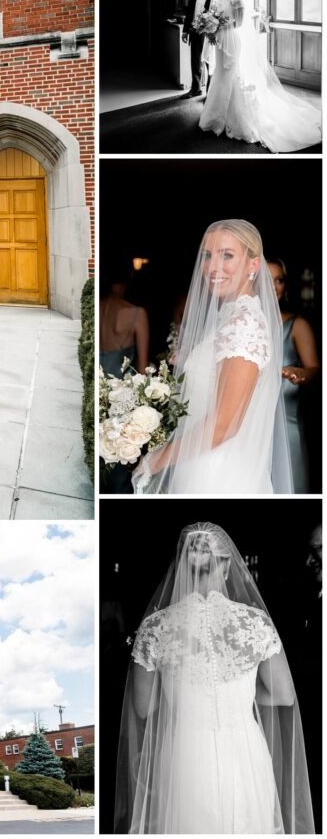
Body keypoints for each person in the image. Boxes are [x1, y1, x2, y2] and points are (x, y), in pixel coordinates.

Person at [114, 523, 314, 834]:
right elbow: (285, 695)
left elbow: (143, 707)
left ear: (182, 565)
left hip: (184, 755)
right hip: (245, 752)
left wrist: (182, 690)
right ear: (226, 564)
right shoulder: (254, 622)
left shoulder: (156, 628)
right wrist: (242, 692)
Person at [133, 220, 292, 493]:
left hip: (218, 471)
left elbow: (225, 424)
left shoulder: (245, 324)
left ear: (253, 265)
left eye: (227, 255)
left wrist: (157, 459)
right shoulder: (229, 316)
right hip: (199, 459)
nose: (212, 266)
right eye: (207, 255)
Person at [199, 0, 321, 152]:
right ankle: (215, 116)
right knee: (220, 74)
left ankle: (236, 118)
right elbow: (215, 14)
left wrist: (217, 24)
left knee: (232, 74)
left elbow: (238, 24)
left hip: (232, 40)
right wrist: (210, 24)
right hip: (220, 41)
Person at [267, 258, 320, 494]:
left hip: (289, 432)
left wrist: (300, 373)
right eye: (267, 280)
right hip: (248, 435)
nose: (275, 287)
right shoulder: (237, 326)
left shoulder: (297, 325)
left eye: (279, 280)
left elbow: (315, 370)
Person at [100, 267, 150, 378]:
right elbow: (143, 369)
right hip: (123, 390)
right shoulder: (136, 314)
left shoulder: (97, 307)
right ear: (130, 275)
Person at [182, 0, 215, 98]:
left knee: (209, 62)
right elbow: (189, 13)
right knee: (195, 61)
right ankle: (195, 89)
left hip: (208, 33)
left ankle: (210, 92)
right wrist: (185, 31)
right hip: (194, 31)